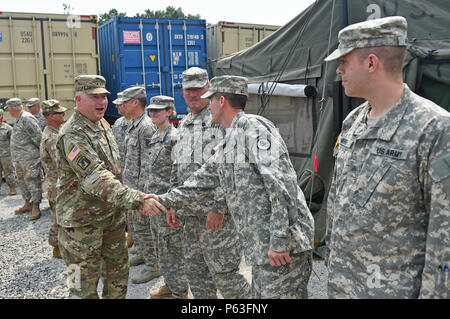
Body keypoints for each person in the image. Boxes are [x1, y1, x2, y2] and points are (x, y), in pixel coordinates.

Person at [147, 75, 315, 299]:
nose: (209, 106)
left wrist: (280, 240)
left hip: (283, 249)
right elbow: (200, 181)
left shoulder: (253, 128)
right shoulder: (230, 139)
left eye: (211, 100)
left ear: (222, 100)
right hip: (262, 249)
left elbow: (281, 185)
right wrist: (159, 201)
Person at [324, 16, 450, 298]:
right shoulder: (354, 121)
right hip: (343, 287)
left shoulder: (435, 129)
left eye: (344, 61)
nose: (339, 70)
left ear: (371, 63)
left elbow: (445, 239)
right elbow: (337, 202)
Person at [55, 75, 165, 299]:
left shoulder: (102, 124)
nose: (102, 102)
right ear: (78, 99)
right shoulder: (73, 133)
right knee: (81, 290)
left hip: (111, 220)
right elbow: (95, 176)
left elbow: (115, 169)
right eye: (94, 96)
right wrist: (137, 199)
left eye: (104, 96)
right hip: (81, 226)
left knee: (117, 283)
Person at [164, 67, 251, 299]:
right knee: (196, 274)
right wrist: (174, 202)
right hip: (189, 216)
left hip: (215, 216)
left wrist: (219, 207)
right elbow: (177, 166)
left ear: (208, 89)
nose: (193, 95)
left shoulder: (220, 119)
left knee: (226, 275)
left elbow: (233, 167)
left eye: (198, 89)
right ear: (182, 91)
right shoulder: (183, 124)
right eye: (188, 90)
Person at [144, 95, 189, 299]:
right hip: (154, 202)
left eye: (158, 110)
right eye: (151, 110)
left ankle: (180, 292)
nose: (153, 113)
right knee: (160, 248)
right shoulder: (155, 136)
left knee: (172, 249)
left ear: (170, 112)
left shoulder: (175, 138)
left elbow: (180, 173)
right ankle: (169, 284)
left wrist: (174, 204)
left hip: (167, 202)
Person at [120, 86, 160, 284]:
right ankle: (144, 255)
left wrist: (143, 194)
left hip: (140, 189)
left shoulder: (145, 126)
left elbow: (149, 162)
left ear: (135, 102)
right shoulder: (133, 124)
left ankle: (154, 266)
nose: (123, 105)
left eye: (126, 102)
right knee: (135, 226)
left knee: (144, 228)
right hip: (130, 187)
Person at [6, 98, 43, 220]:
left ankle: (36, 206)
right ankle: (28, 203)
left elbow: (38, 139)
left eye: (9, 109)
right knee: (22, 181)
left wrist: (40, 156)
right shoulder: (19, 119)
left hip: (30, 159)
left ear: (12, 108)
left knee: (32, 181)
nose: (9, 112)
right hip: (20, 160)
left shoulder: (27, 118)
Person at [40, 100, 67, 259]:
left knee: (58, 215)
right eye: (59, 113)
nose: (63, 114)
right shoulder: (52, 138)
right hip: (57, 184)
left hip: (56, 183)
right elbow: (61, 164)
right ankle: (57, 247)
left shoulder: (55, 131)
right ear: (50, 116)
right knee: (58, 216)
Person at [111, 92, 135, 251]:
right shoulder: (118, 123)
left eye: (120, 104)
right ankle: (129, 234)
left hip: (133, 170)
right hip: (120, 170)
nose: (117, 106)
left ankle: (135, 238)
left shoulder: (140, 123)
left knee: (135, 206)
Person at [0, 109, 16, 196]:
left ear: (1, 116)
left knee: (9, 172)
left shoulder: (8, 128)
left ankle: (12, 188)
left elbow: (13, 141)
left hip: (6, 155)